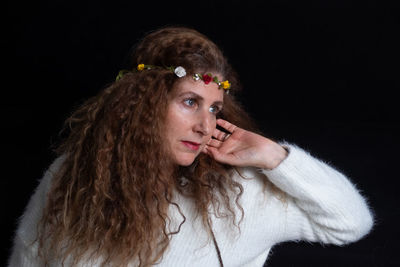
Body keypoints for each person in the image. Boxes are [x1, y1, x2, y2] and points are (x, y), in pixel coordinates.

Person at [8, 26, 374, 267]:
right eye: (189, 102)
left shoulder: (240, 193)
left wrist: (275, 157)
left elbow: (351, 223)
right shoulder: (74, 176)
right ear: (142, 104)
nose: (205, 125)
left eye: (215, 109)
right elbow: (28, 256)